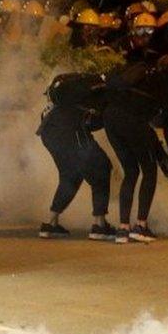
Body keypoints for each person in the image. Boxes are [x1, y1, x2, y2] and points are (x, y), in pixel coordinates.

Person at [103, 15, 168, 244]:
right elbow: (167, 128)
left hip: (112, 118)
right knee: (149, 171)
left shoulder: (144, 71)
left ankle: (122, 228)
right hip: (132, 120)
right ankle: (141, 226)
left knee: (131, 171)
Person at [37, 73, 114, 241]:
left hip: (48, 132)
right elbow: (98, 122)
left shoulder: (71, 92)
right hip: (72, 131)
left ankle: (50, 224)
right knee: (102, 168)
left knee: (70, 175)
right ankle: (99, 225)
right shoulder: (104, 92)